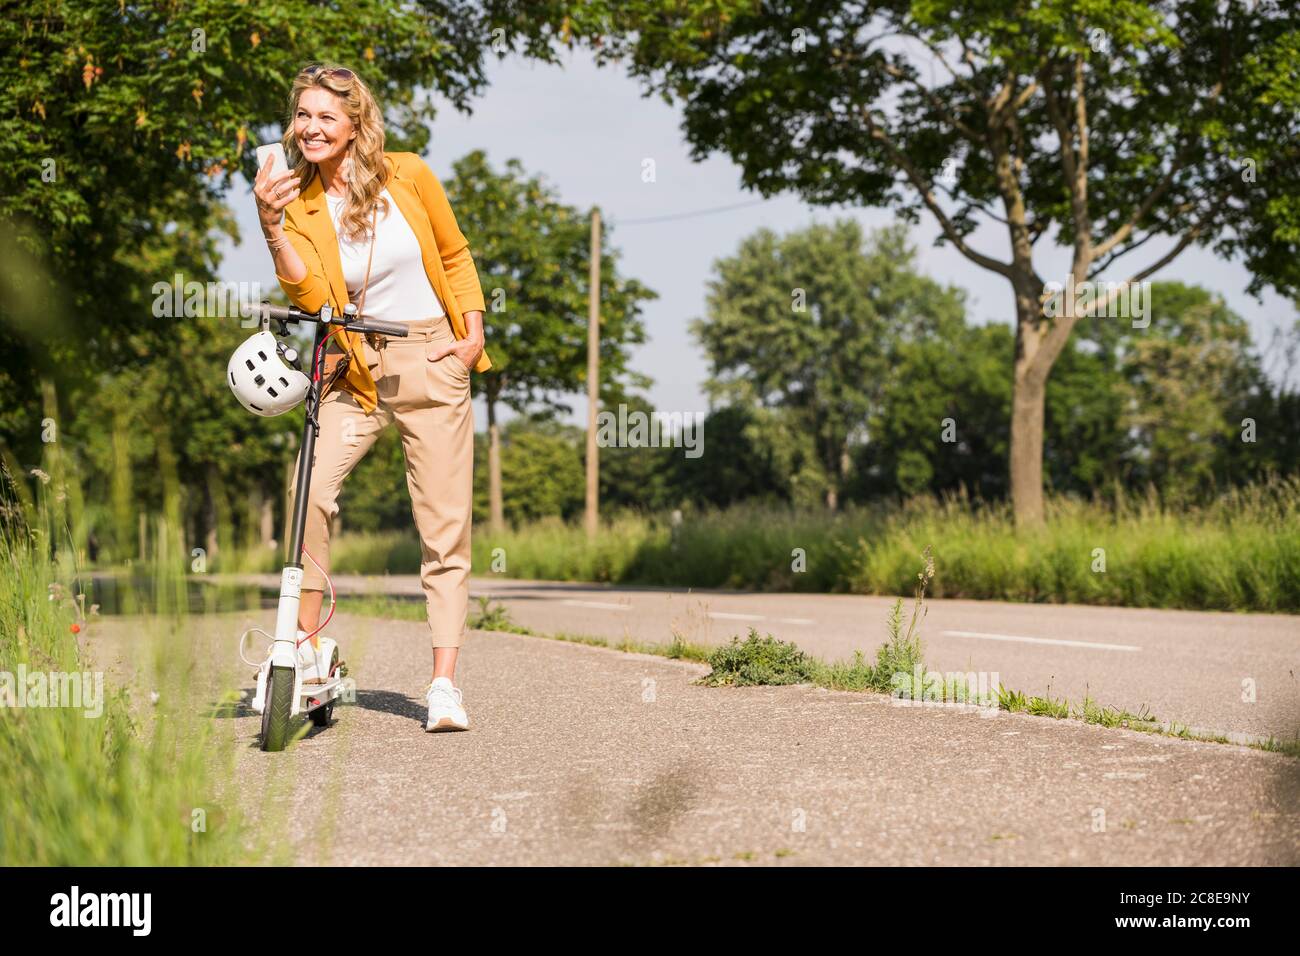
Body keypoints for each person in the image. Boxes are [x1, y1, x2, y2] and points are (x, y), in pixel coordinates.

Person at [252, 63, 489, 732]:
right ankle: (305, 649)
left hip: (429, 356)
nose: (310, 127)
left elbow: (453, 254)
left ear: (356, 123)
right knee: (311, 491)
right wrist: (271, 227)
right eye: (302, 115)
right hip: (353, 365)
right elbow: (310, 297)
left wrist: (470, 336)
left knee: (443, 524)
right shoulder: (295, 201)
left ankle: (442, 684)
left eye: (326, 115)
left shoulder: (408, 175)